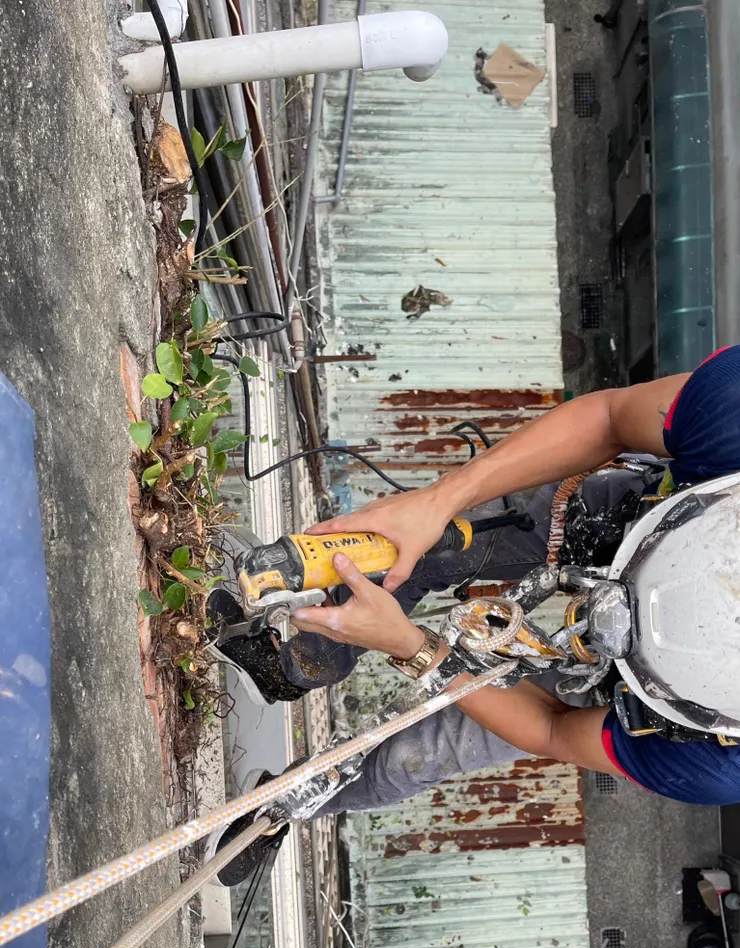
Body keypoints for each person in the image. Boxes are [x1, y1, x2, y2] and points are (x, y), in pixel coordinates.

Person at [211, 347, 740, 885]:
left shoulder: (720, 762)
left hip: (631, 693)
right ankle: (299, 663)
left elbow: (552, 729)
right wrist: (438, 502)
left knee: (420, 754)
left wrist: (417, 649)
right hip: (622, 521)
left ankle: (281, 806)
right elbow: (608, 419)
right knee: (429, 545)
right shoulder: (734, 411)